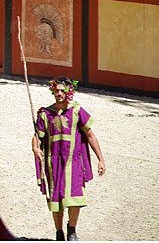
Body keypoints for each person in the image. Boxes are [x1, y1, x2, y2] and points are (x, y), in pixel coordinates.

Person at [32, 77, 106, 242]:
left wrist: (100, 159)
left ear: (69, 92)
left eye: (62, 90)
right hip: (53, 163)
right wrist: (35, 147)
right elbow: (38, 136)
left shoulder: (77, 111)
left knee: (75, 198)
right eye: (56, 90)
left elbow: (90, 134)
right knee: (56, 200)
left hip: (73, 162)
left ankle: (71, 230)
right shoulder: (46, 113)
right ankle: (59, 233)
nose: (58, 93)